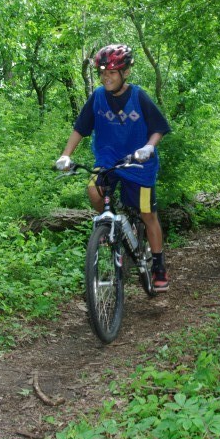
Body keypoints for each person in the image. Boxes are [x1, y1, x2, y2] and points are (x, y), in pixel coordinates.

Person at [55, 44, 171, 291]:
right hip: (108, 160)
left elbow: (159, 127)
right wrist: (65, 156)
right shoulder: (97, 97)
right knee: (93, 190)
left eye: (112, 72)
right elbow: (80, 129)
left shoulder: (139, 96)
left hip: (139, 163)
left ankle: (159, 265)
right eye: (102, 72)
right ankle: (110, 226)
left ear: (126, 73)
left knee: (147, 214)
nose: (106, 77)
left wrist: (149, 147)